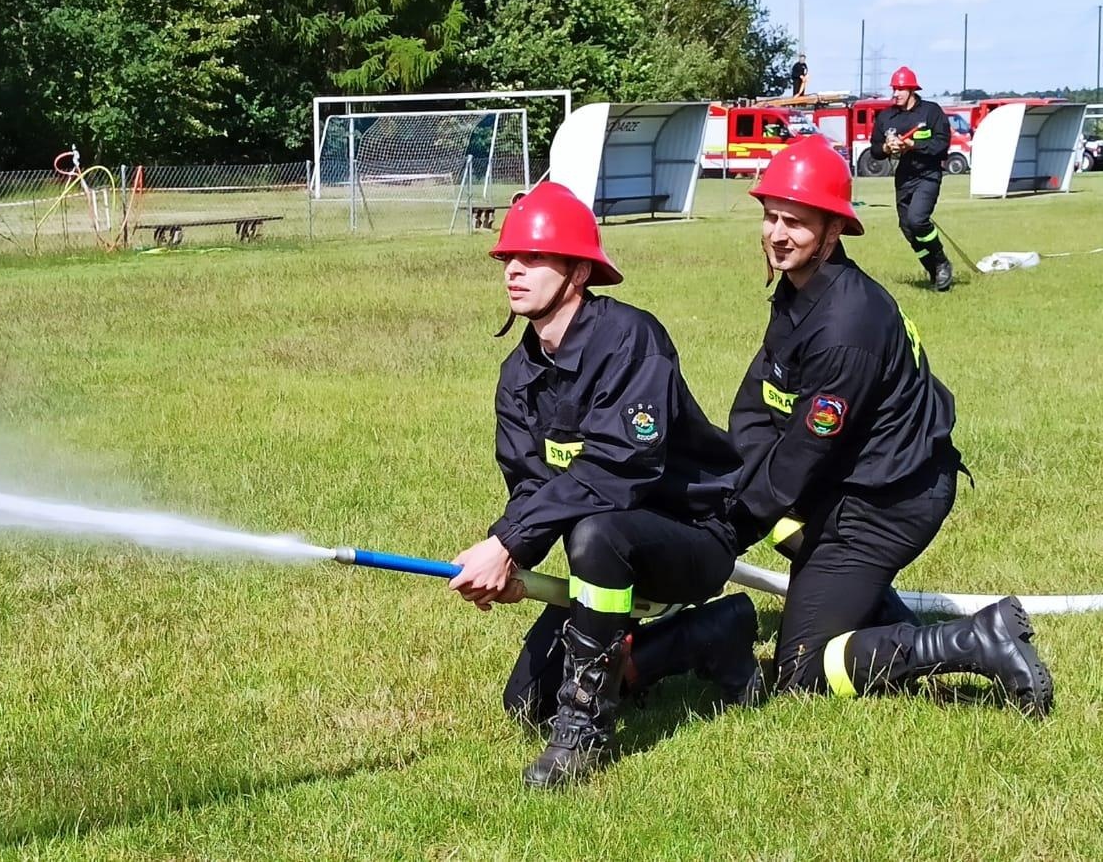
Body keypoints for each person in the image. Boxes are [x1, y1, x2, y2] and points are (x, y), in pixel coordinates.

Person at [448, 181, 765, 789]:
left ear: (578, 270)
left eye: (534, 258)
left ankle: (584, 730)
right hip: (605, 557)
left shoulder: (631, 339)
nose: (514, 271)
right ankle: (711, 634)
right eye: (509, 259)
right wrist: (515, 565)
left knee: (597, 530)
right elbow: (530, 488)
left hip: (691, 539)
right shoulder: (519, 375)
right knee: (526, 703)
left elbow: (622, 467)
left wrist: (508, 543)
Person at [724, 137, 1053, 716]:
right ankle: (874, 608)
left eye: (795, 222)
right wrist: (745, 487)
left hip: (889, 500)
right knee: (793, 536)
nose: (777, 234)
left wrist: (726, 523)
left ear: (833, 231)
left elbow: (801, 457)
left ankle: (976, 639)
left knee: (801, 671)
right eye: (771, 217)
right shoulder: (799, 292)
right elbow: (754, 405)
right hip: (848, 484)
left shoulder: (846, 325)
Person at [870, 66, 954, 292]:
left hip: (928, 175)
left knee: (917, 219)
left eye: (900, 89)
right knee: (907, 227)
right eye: (894, 88)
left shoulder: (931, 112)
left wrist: (913, 145)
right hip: (903, 178)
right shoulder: (886, 117)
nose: (895, 93)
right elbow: (875, 149)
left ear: (912, 90)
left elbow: (941, 144)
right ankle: (933, 269)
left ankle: (941, 262)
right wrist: (887, 147)